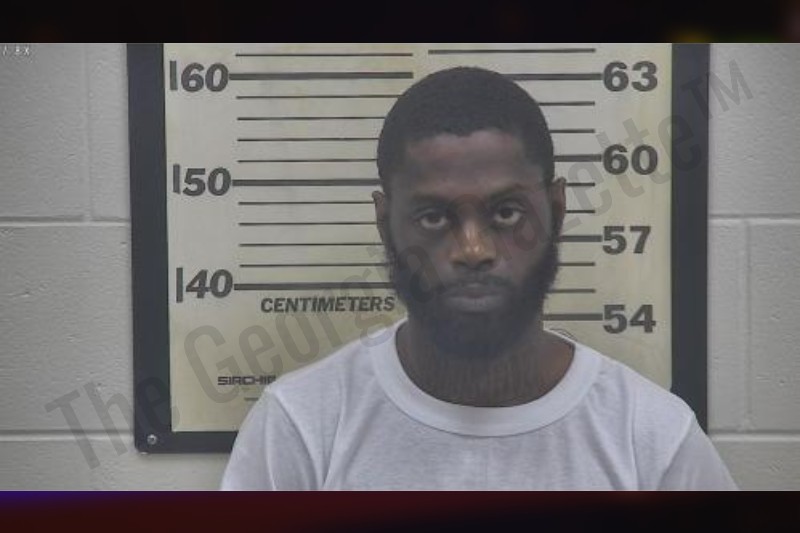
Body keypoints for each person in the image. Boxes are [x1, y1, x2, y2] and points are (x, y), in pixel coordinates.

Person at [221, 66, 737, 490]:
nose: (473, 250)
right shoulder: (301, 428)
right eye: (433, 217)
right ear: (385, 223)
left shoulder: (653, 441)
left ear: (556, 211)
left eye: (506, 213)